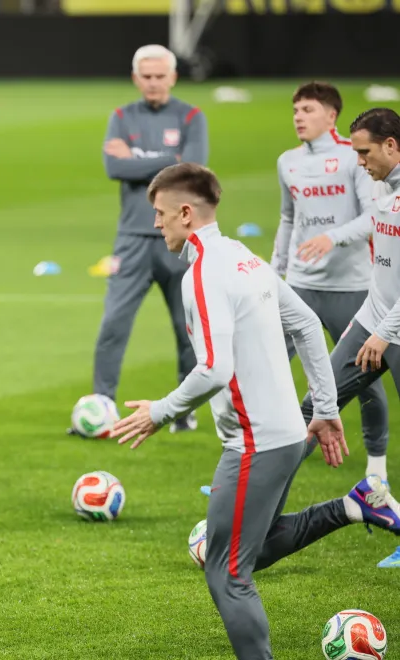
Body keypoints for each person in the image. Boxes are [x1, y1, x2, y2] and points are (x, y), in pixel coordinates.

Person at [112, 162, 400, 660]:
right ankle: (352, 506)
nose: (155, 223)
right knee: (255, 547)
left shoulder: (203, 273)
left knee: (226, 573)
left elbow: (214, 369)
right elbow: (306, 324)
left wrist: (160, 411)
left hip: (254, 444)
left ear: (186, 213)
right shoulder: (242, 256)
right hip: (287, 434)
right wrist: (323, 408)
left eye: (160, 213)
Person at [269, 81, 389, 484]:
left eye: (308, 110)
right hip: (302, 285)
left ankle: (376, 470)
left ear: (331, 115)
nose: (298, 117)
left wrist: (331, 237)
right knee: (267, 364)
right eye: (295, 110)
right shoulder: (288, 161)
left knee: (366, 382)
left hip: (351, 288)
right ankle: (256, 461)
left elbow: (372, 218)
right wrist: (275, 269)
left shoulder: (356, 160)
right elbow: (288, 218)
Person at [87, 44, 208, 436]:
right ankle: (101, 408)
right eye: (147, 76)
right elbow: (114, 167)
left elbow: (192, 170)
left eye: (160, 76)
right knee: (113, 325)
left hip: (179, 240)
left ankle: (184, 411)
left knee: (187, 328)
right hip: (132, 240)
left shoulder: (191, 116)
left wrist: (138, 159)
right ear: (136, 78)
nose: (154, 82)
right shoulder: (122, 116)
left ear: (173, 77)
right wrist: (170, 159)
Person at [298, 107, 400, 569]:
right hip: (373, 322)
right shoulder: (381, 187)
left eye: (365, 152)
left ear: (391, 145)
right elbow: (386, 271)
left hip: (391, 330)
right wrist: (365, 323)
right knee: (314, 407)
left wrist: (384, 332)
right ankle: (254, 506)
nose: (359, 162)